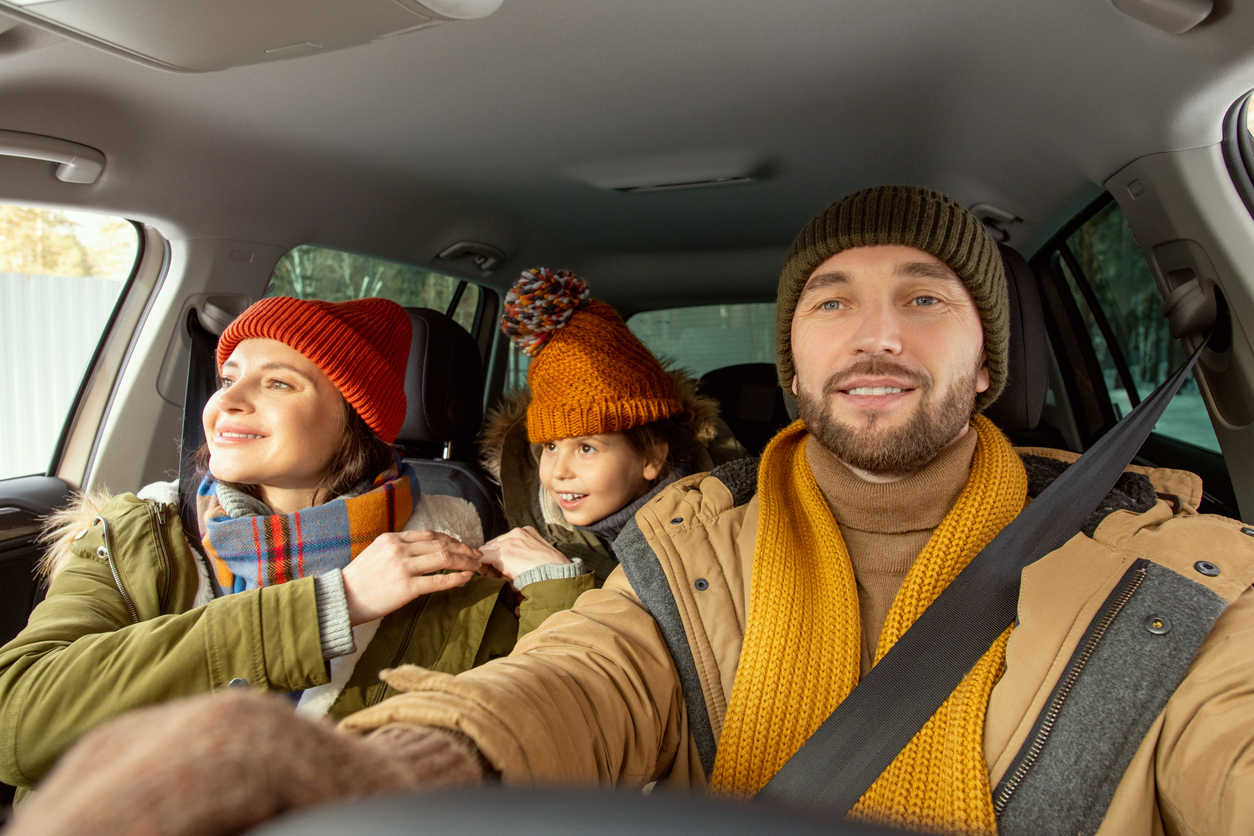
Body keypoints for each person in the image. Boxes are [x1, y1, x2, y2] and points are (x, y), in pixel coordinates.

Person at [12, 187, 1254, 836]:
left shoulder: (1174, 568)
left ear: (988, 362)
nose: (874, 329)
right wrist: (381, 769)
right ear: (794, 357)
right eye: (830, 301)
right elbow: (577, 681)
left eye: (925, 297)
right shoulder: (688, 549)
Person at [0, 295, 589, 797]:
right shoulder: (136, 533)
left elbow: (544, 740)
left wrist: (555, 592)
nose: (226, 401)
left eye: (278, 382)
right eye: (229, 378)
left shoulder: (452, 550)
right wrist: (331, 605)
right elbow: (18, 722)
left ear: (354, 418)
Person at [477, 268, 744, 586]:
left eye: (586, 447)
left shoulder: (727, 534)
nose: (558, 471)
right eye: (550, 446)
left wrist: (561, 580)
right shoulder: (533, 536)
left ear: (651, 458)